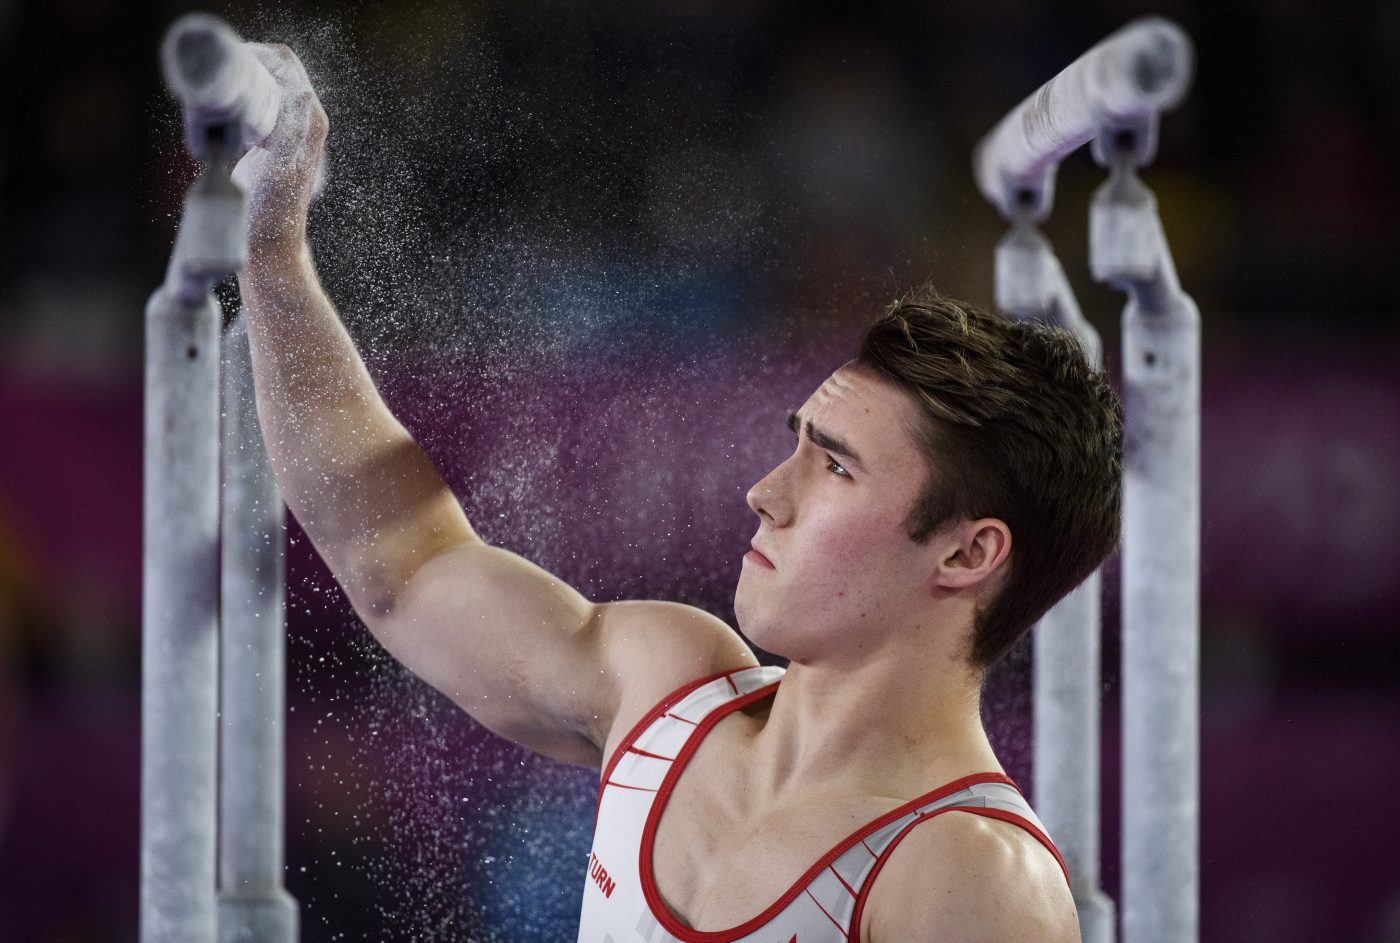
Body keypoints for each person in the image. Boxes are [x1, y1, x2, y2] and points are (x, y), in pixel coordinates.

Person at [234, 44, 1120, 943]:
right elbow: (407, 563)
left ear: (968, 552)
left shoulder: (968, 879)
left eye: (837, 467)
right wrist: (273, 256)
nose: (766, 493)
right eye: (797, 447)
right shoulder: (665, 686)